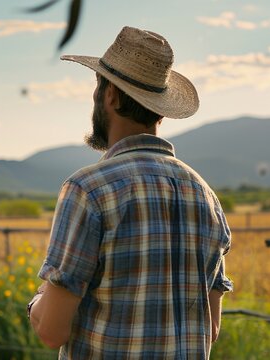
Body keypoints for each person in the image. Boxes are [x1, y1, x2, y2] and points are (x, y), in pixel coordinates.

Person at [27, 26, 233, 359]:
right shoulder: (205, 195)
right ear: (160, 108)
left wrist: (38, 302)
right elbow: (210, 329)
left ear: (110, 96)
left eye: (98, 88)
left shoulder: (88, 190)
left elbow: (52, 331)